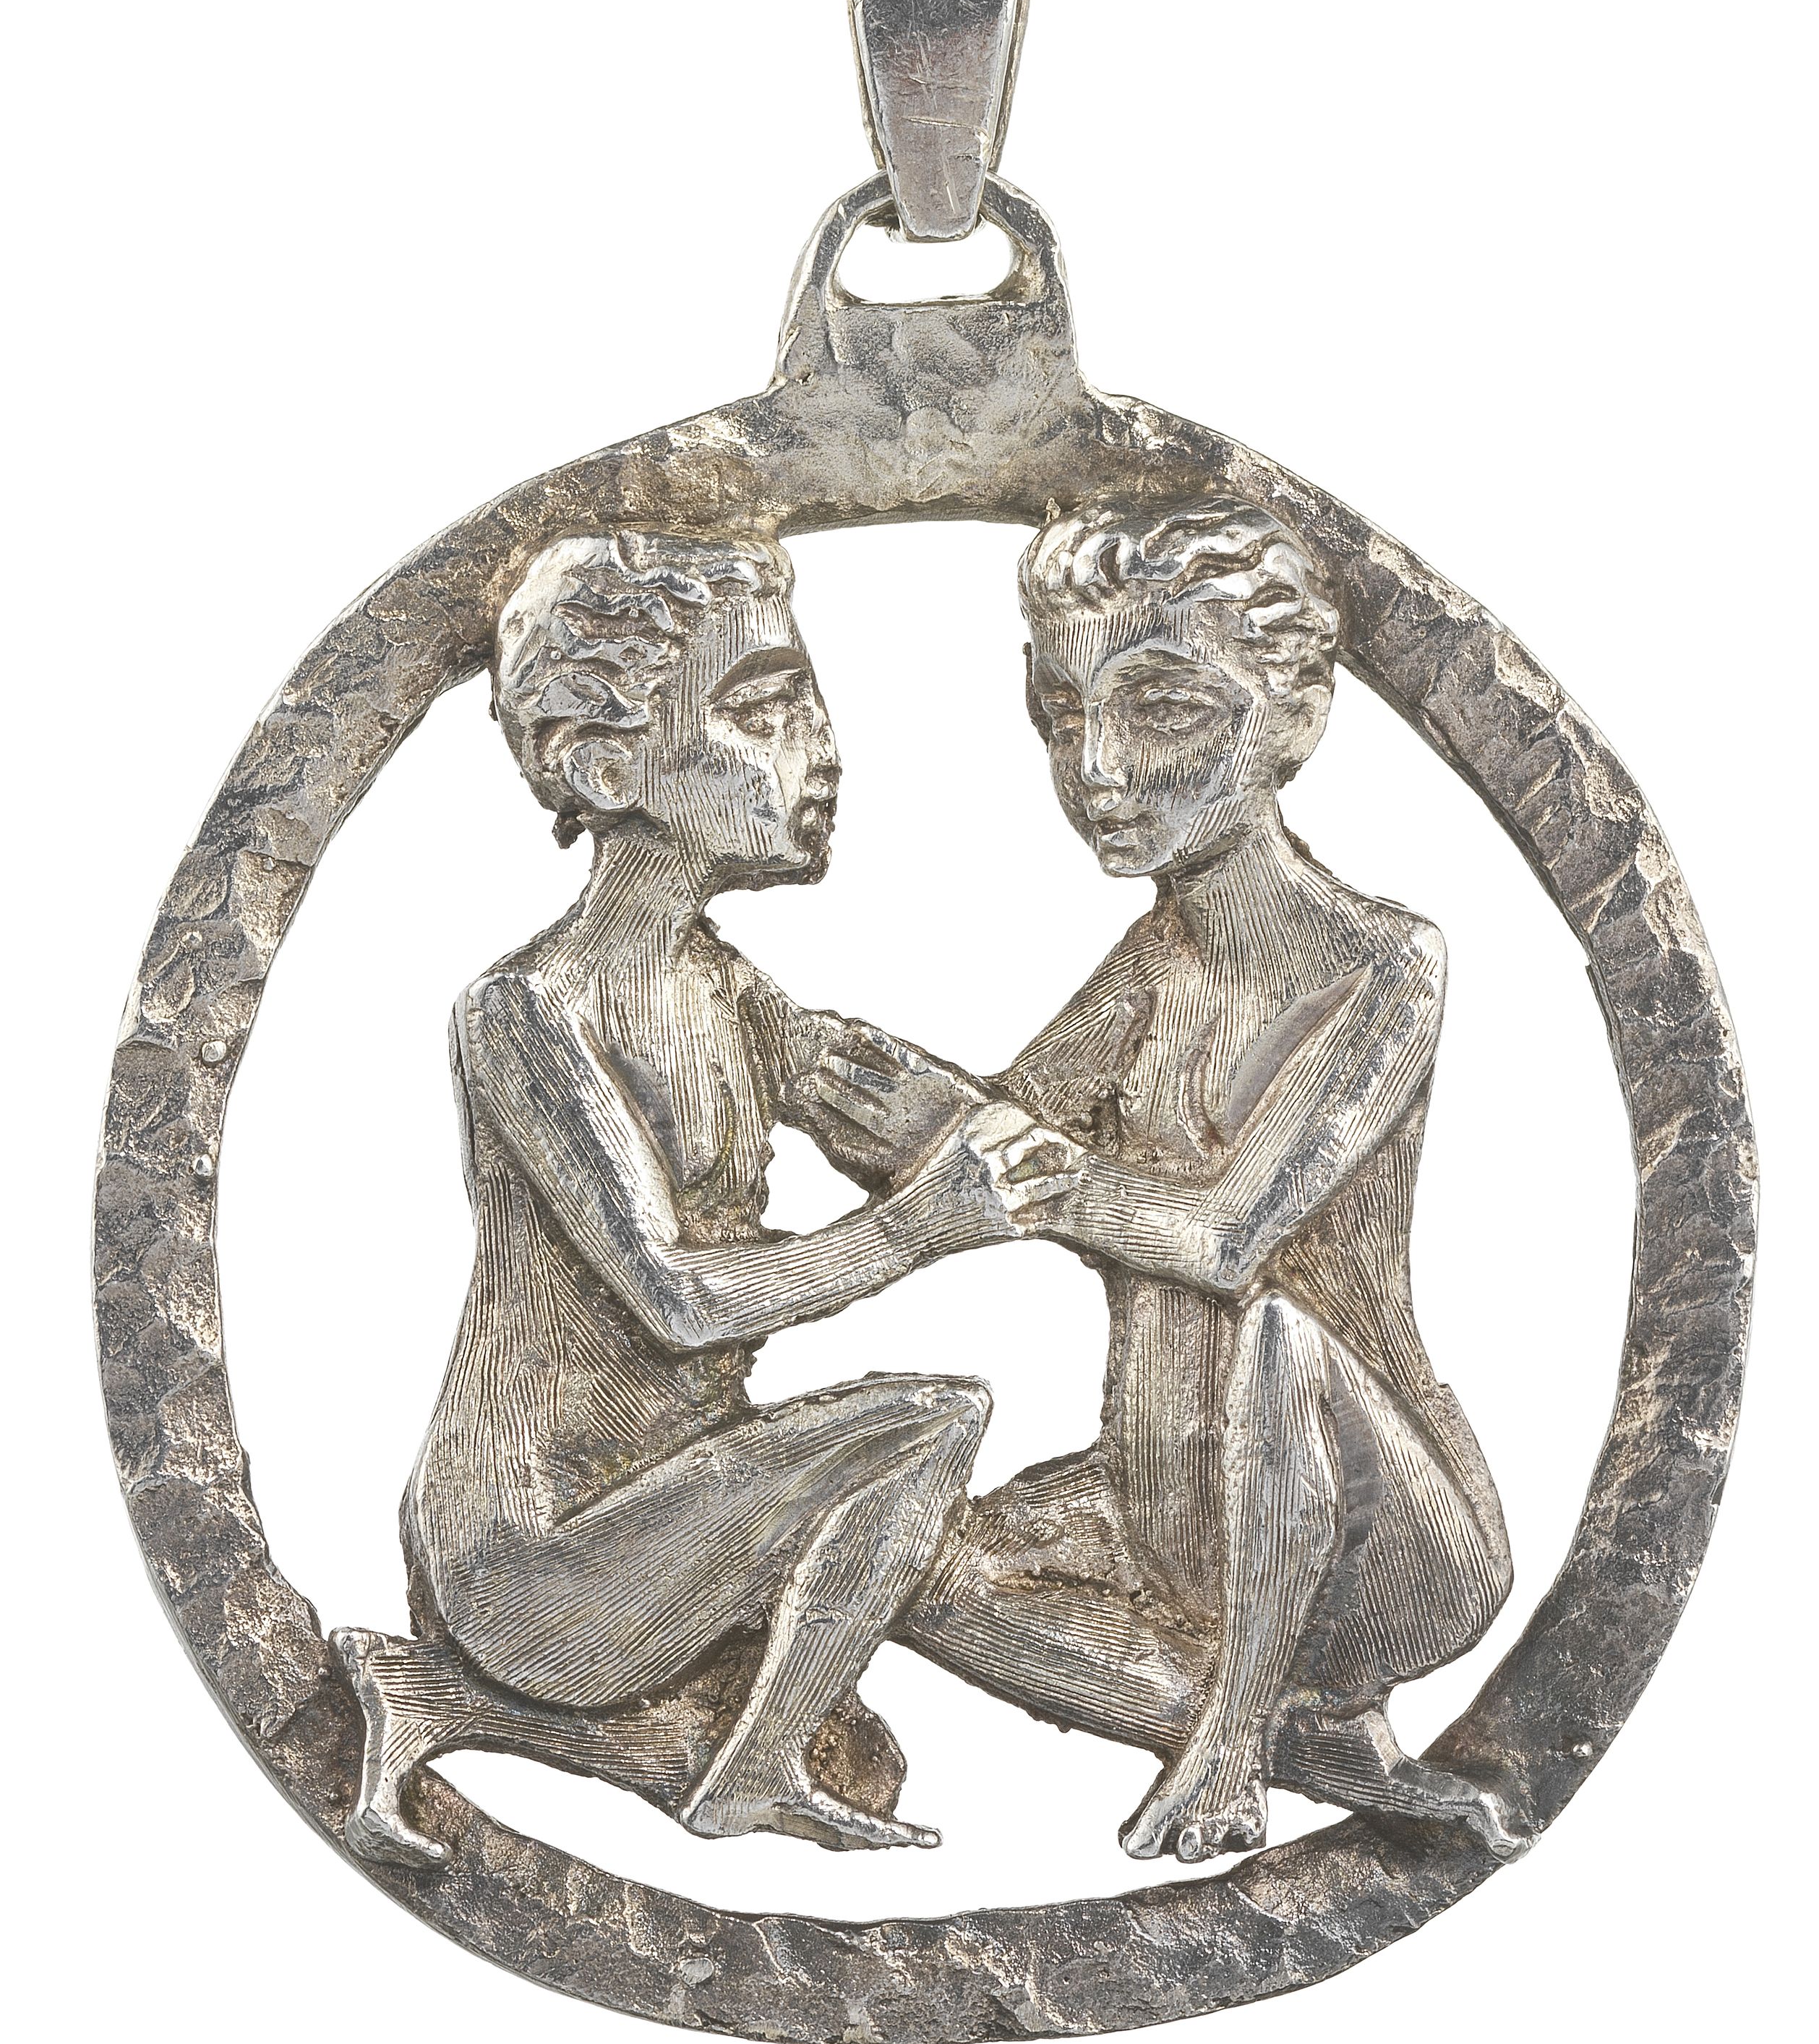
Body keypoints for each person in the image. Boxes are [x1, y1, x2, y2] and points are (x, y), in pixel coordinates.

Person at [333, 526, 1077, 1866]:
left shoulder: (726, 990)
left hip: (664, 1509)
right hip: (534, 1557)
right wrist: (920, 1225)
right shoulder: (531, 1011)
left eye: (811, 704)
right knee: (926, 1424)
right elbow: (675, 1296)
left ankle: (450, 1702)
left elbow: (910, 1108)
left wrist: (1080, 1124)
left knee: (896, 1666)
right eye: (762, 709)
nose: (821, 749)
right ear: (606, 766)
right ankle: (744, 1770)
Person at [897, 497, 1516, 1863]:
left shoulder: (1380, 962)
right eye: (1061, 713)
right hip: (1158, 1502)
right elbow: (978, 1138)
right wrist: (801, 1056)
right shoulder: (1155, 960)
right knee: (890, 1552)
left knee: (1279, 1329)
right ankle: (1310, 1744)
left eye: (1163, 708)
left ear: (1295, 715)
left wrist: (1023, 1170)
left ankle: (1236, 1741)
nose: (1097, 768)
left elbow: (1228, 1237)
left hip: (1375, 1535)